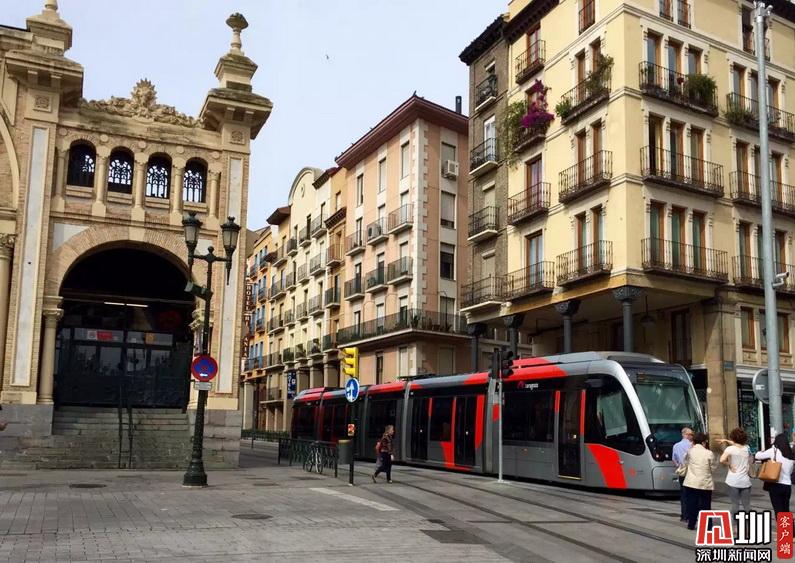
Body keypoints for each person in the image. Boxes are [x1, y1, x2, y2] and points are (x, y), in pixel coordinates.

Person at [755, 432, 795, 515]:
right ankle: (787, 524)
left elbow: (757, 456)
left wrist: (760, 452)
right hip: (787, 486)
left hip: (775, 485)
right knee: (785, 510)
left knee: (778, 510)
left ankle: (782, 524)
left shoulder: (773, 451)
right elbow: (790, 471)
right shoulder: (791, 454)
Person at [683, 432, 716, 531]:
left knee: (692, 504)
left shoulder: (690, 452)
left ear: (694, 441)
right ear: (704, 442)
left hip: (691, 482)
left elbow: (685, 462)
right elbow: (713, 467)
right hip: (705, 483)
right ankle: (708, 526)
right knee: (706, 505)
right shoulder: (709, 453)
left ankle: (691, 524)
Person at [718, 428, 752, 520]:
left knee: (735, 504)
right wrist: (726, 440)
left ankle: (735, 524)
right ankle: (751, 523)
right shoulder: (747, 448)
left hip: (733, 481)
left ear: (733, 438)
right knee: (747, 505)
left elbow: (721, 460)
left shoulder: (730, 449)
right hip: (745, 481)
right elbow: (737, 444)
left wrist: (729, 464)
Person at [672, 427, 694, 521]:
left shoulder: (676, 446)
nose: (691, 436)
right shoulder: (693, 446)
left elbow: (674, 459)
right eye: (690, 434)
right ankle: (692, 515)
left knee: (684, 494)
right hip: (692, 472)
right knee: (692, 494)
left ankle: (684, 515)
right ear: (684, 434)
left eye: (691, 434)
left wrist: (679, 466)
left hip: (682, 473)